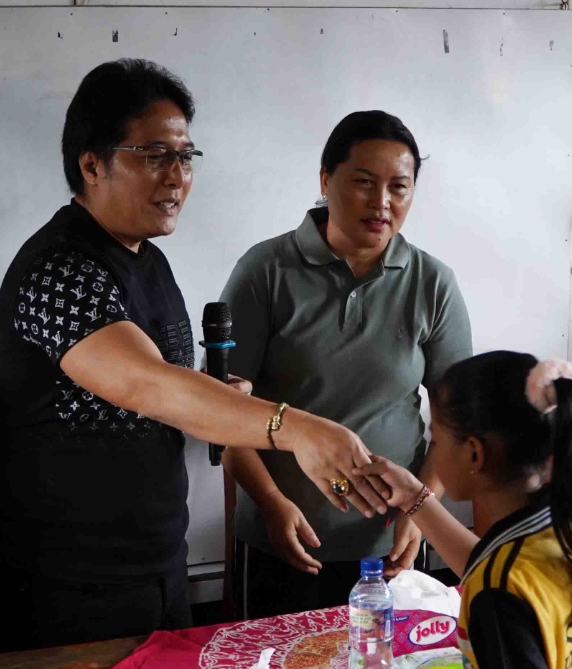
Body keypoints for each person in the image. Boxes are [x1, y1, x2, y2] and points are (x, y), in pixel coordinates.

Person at [0, 59, 389, 652]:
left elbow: (164, 386)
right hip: (66, 578)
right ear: (92, 164)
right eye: (154, 155)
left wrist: (220, 399)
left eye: (185, 156)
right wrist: (294, 429)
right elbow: (148, 386)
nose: (177, 176)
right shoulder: (59, 269)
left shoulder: (148, 258)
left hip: (156, 560)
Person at [220, 110, 472, 618]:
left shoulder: (432, 283)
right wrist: (270, 502)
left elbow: (457, 421)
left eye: (399, 187)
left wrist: (422, 508)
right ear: (325, 180)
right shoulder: (264, 272)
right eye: (363, 183)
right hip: (282, 538)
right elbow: (222, 412)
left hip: (389, 548)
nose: (382, 203)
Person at [356, 352, 572, 669]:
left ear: (474, 454)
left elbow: (495, 582)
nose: (433, 452)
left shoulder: (496, 593)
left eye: (436, 440)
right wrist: (413, 496)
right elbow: (491, 565)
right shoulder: (563, 527)